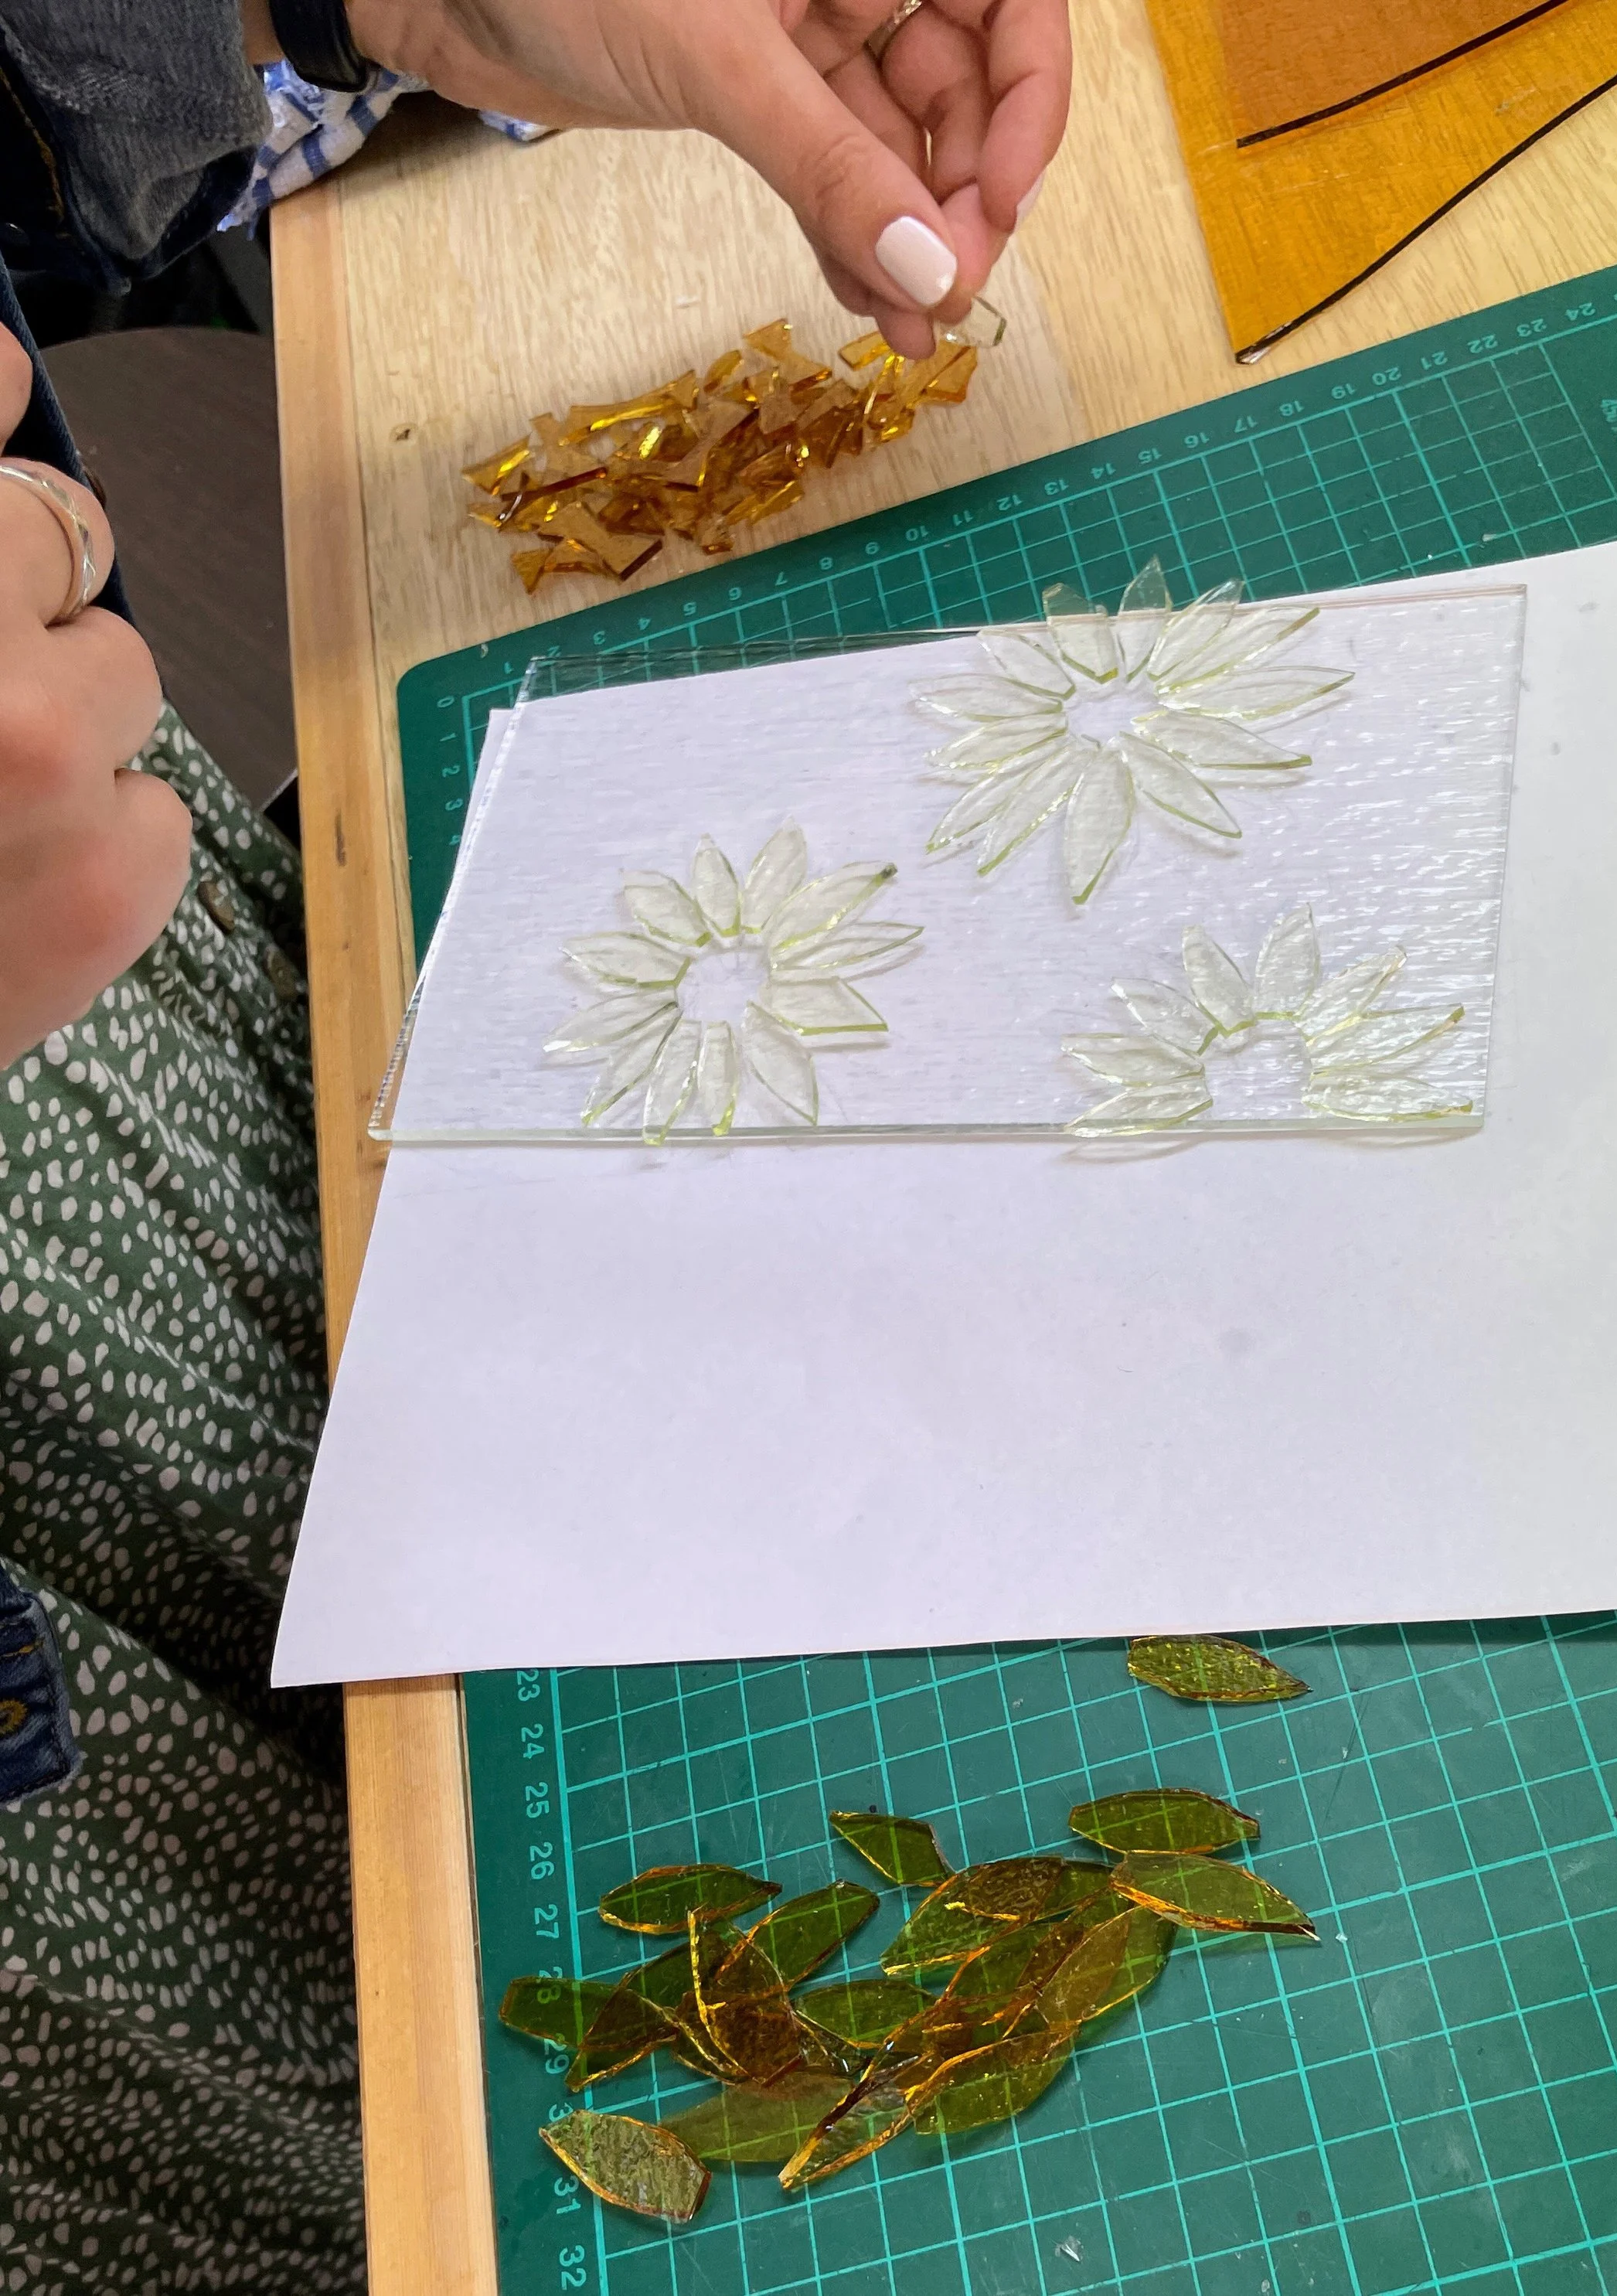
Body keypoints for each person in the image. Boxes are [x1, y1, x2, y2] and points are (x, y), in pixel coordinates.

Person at [0, 2, 1071, 2285]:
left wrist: (320, 6)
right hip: (61, 1950)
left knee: (504, 1637)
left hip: (97, 1035)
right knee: (387, 2150)